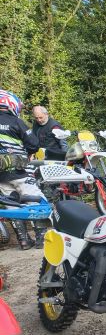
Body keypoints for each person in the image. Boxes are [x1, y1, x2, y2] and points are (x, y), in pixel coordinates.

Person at [0, 90, 47, 249]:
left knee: (12, 206)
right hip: (20, 170)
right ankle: (41, 239)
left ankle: (24, 241)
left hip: (1, 175)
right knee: (35, 200)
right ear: (10, 104)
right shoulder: (16, 121)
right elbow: (33, 144)